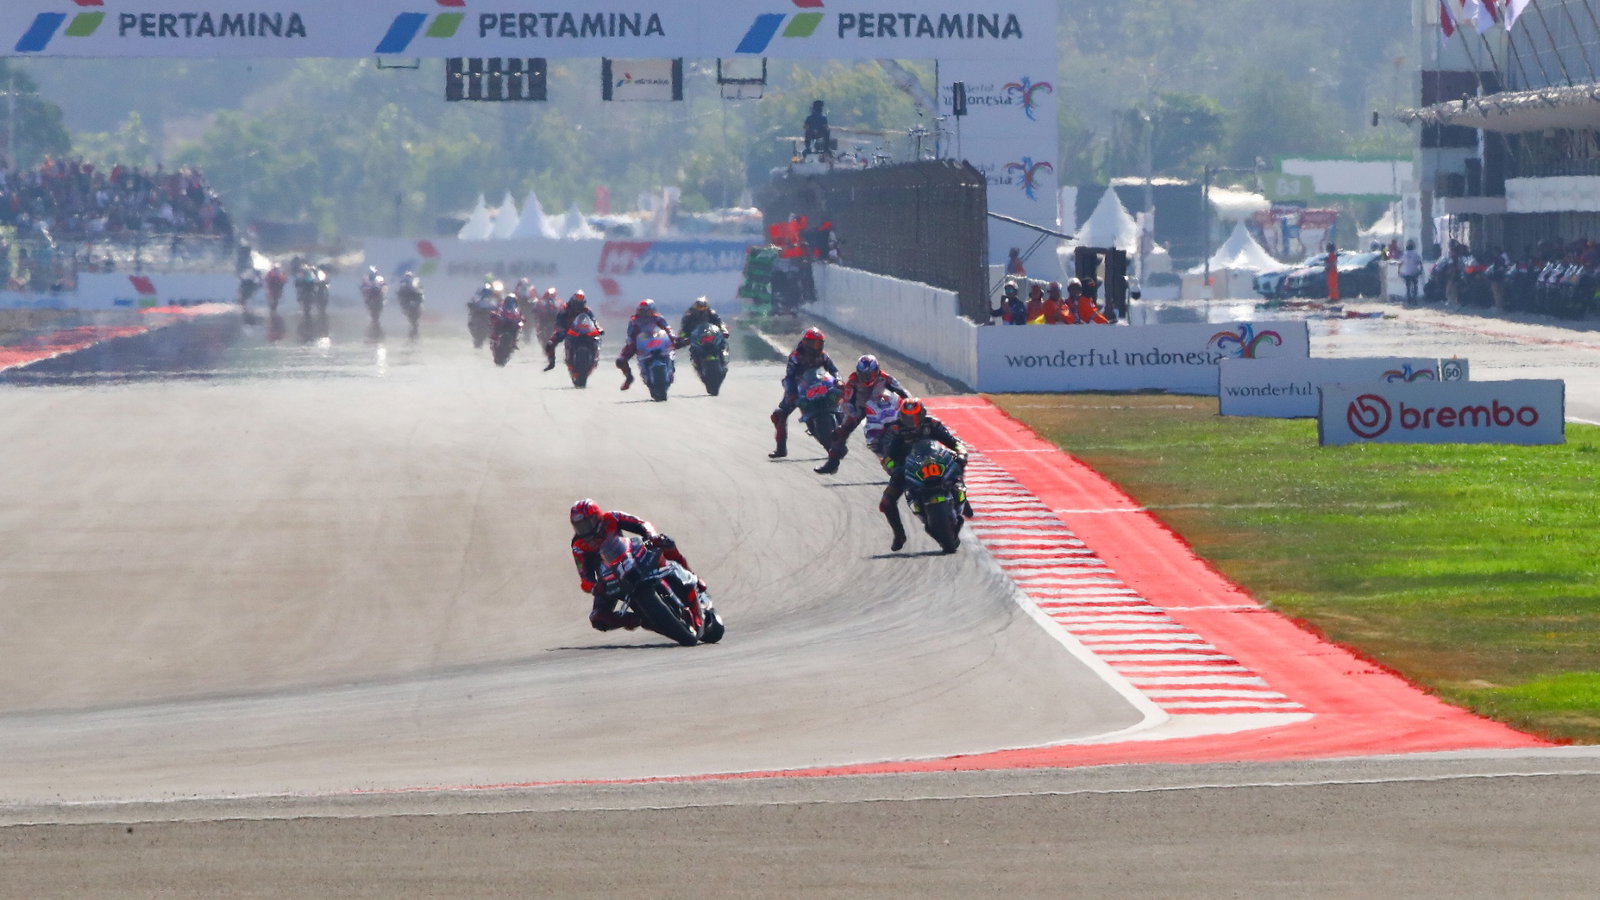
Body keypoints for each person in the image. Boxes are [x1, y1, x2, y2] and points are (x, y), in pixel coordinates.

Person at [568, 499, 711, 633]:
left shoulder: (612, 517)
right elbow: (584, 576)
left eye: (587, 524)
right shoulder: (578, 545)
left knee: (666, 542)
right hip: (609, 579)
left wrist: (652, 536)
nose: (585, 530)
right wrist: (594, 586)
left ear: (597, 517)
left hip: (630, 558)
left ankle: (691, 575)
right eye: (580, 526)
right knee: (598, 618)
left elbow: (641, 524)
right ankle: (639, 619)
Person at [878, 397, 970, 552]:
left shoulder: (931, 424)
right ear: (901, 415)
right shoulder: (895, 430)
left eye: (915, 417)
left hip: (935, 463)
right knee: (886, 503)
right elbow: (886, 455)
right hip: (908, 467)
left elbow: (953, 441)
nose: (912, 421)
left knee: (958, 463)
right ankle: (899, 535)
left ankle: (963, 499)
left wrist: (961, 452)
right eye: (908, 417)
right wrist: (893, 467)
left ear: (922, 414)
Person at [815, 355, 909, 474]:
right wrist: (850, 411)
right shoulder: (853, 381)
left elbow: (901, 391)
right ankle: (832, 463)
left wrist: (909, 401)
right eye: (863, 375)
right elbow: (847, 399)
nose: (866, 378)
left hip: (883, 406)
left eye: (869, 375)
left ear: (876, 371)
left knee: (910, 419)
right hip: (860, 407)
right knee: (840, 433)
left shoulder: (886, 378)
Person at [769, 326, 837, 459]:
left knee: (844, 398)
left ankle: (840, 421)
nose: (816, 346)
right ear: (806, 343)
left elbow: (834, 370)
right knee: (779, 414)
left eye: (819, 343)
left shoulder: (823, 356)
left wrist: (839, 381)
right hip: (800, 387)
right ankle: (781, 448)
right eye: (813, 343)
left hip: (820, 384)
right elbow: (789, 377)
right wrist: (791, 392)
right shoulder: (795, 357)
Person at [616, 298, 674, 391]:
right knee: (620, 360)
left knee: (671, 350)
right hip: (639, 342)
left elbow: (667, 328)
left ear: (652, 310)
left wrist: (673, 337)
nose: (644, 313)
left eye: (646, 311)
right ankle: (629, 378)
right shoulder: (634, 320)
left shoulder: (658, 318)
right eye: (641, 311)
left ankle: (671, 371)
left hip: (656, 340)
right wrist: (630, 341)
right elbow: (630, 333)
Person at [544, 289, 596, 370]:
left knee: (596, 340)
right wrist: (561, 329)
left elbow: (594, 321)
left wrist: (598, 329)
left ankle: (594, 358)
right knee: (550, 344)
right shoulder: (565, 309)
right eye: (577, 304)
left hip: (583, 331)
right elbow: (559, 321)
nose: (578, 307)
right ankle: (551, 361)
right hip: (567, 330)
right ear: (572, 302)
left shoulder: (587, 310)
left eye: (580, 304)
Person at [1399, 239, 1423, 306]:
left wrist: (1399, 271)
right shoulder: (1416, 254)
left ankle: (1409, 299)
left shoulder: (1404, 254)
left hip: (1406, 272)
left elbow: (1400, 263)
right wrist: (1421, 270)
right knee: (1415, 286)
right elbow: (1420, 263)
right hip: (1414, 272)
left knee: (1408, 287)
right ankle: (1414, 298)